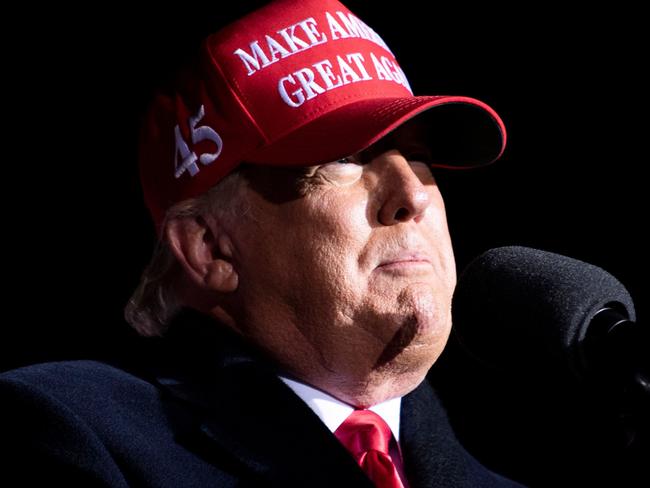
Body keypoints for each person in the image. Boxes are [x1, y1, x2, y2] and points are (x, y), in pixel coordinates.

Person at [0, 0, 523, 486]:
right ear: (211, 247)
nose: (413, 194)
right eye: (343, 159)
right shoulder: (71, 432)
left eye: (417, 156)